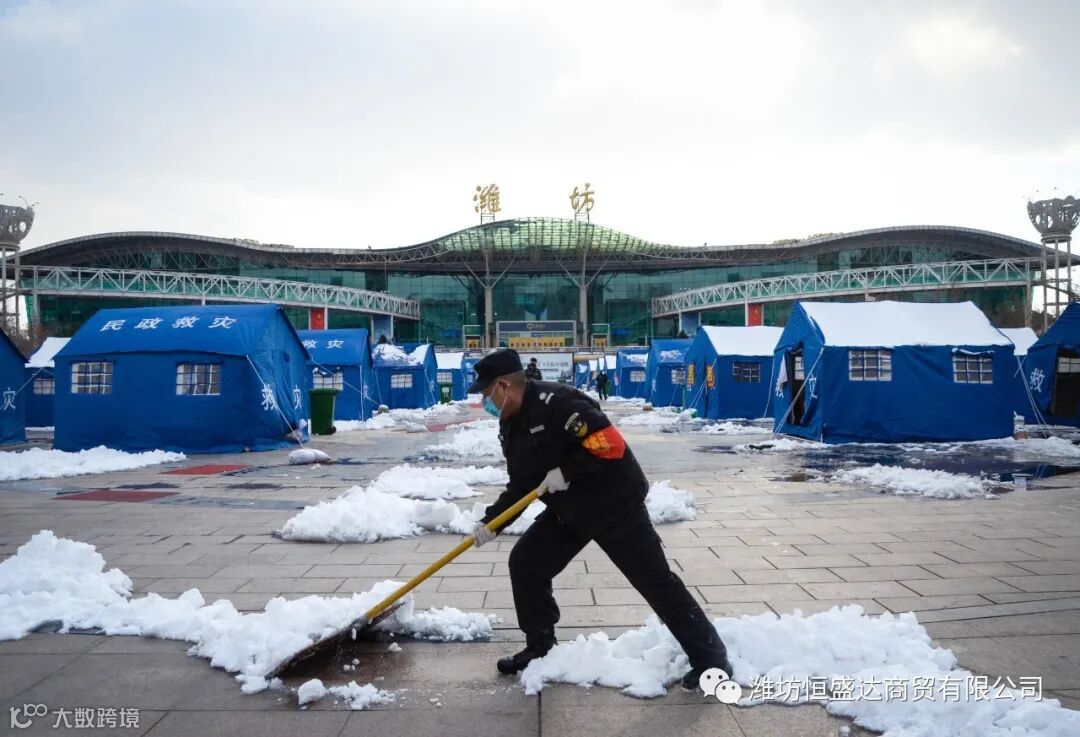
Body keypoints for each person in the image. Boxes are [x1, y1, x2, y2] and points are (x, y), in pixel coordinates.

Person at [466, 349, 732, 690]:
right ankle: (540, 648)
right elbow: (521, 484)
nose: (485, 402)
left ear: (504, 386)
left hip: (613, 502)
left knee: (654, 580)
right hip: (570, 510)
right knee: (526, 563)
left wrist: (566, 471)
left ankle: (712, 660)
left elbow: (610, 446)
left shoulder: (559, 404)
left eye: (487, 394)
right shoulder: (510, 424)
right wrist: (491, 523)